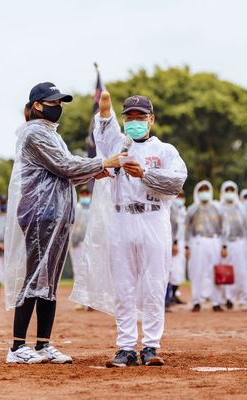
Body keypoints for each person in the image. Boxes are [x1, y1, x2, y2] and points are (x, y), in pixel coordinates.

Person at [3, 82, 123, 364]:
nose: (58, 108)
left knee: (48, 281)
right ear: (36, 106)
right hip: (39, 215)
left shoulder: (51, 134)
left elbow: (64, 172)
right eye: (53, 102)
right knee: (35, 278)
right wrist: (104, 163)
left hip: (56, 216)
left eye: (60, 103)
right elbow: (65, 166)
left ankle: (43, 344)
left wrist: (95, 173)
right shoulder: (34, 134)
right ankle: (18, 347)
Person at [94, 91, 187, 367]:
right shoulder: (118, 147)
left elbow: (177, 183)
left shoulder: (165, 151)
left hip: (153, 218)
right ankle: (125, 347)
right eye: (129, 117)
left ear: (151, 120)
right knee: (123, 286)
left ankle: (150, 346)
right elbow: (102, 134)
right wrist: (104, 114)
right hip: (122, 219)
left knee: (154, 284)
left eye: (140, 117)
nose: (134, 121)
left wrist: (145, 174)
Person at [186, 181, 227, 312]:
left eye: (206, 190)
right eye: (201, 190)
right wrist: (187, 246)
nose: (204, 192)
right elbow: (186, 228)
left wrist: (224, 245)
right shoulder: (193, 208)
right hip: (198, 241)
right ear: (197, 192)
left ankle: (216, 302)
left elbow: (224, 226)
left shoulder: (217, 207)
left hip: (214, 240)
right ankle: (196, 301)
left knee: (215, 272)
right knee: (197, 271)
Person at [220, 181, 247, 311]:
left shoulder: (241, 208)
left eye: (231, 190)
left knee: (241, 271)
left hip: (241, 242)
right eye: (227, 190)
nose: (229, 193)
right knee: (227, 271)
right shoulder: (219, 207)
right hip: (226, 244)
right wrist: (222, 244)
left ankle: (243, 298)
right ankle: (228, 298)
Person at [69, 187, 92, 311]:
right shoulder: (77, 208)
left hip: (89, 244)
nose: (85, 196)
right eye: (83, 193)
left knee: (89, 271)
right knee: (78, 271)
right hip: (77, 244)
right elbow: (72, 226)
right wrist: (72, 242)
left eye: (87, 193)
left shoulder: (93, 208)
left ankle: (89, 300)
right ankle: (80, 300)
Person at [169, 190, 188, 306]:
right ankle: (169, 296)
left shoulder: (183, 210)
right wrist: (174, 242)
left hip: (181, 241)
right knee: (171, 270)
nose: (180, 198)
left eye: (182, 196)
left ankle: (175, 295)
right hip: (172, 241)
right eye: (178, 196)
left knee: (179, 270)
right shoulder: (171, 208)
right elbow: (173, 227)